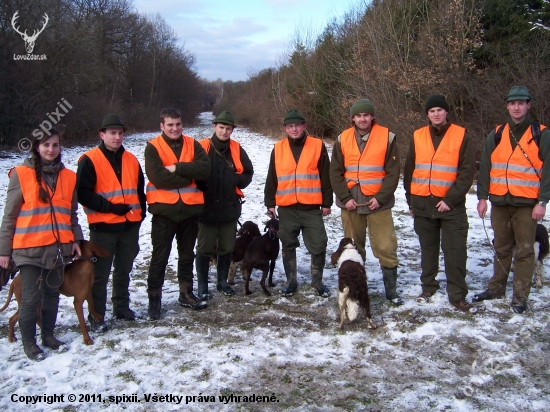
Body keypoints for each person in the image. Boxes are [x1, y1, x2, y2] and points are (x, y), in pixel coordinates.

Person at [0, 130, 83, 360]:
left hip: (57, 250)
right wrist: (4, 252)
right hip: (28, 250)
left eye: (55, 145)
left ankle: (48, 336)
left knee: (51, 295)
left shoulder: (68, 177)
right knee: (31, 298)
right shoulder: (22, 174)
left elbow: (71, 214)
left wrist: (75, 239)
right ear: (37, 147)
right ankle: (29, 343)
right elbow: (9, 216)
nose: (50, 149)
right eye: (46, 144)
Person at [474, 86, 550, 314]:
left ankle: (520, 296)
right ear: (507, 106)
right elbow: (485, 167)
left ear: (528, 105)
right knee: (501, 247)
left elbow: (548, 170)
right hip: (499, 202)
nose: (516, 107)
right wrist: (482, 197)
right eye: (512, 103)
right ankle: (496, 287)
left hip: (527, 204)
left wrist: (542, 201)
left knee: (525, 251)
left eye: (521, 103)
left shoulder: (541, 134)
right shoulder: (496, 134)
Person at [403, 95, 475, 313]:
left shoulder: (461, 135)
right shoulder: (418, 136)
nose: (436, 114)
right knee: (428, 250)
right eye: (432, 110)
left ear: (447, 112)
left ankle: (457, 295)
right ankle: (428, 286)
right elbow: (409, 171)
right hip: (422, 204)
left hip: (450, 207)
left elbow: (466, 172)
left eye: (440, 110)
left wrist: (450, 200)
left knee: (455, 251)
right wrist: (411, 202)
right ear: (427, 114)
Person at [330, 98, 403, 305]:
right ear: (353, 118)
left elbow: (393, 172)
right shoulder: (342, 138)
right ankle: (354, 289)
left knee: (386, 247)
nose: (362, 119)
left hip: (379, 203)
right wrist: (345, 198)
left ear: (372, 117)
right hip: (351, 204)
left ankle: (391, 292)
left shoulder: (387, 138)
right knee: (353, 249)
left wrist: (380, 198)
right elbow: (335, 171)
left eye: (366, 115)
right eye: (358, 115)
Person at [77, 114, 145, 330]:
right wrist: (110, 207)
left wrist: (140, 216)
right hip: (103, 228)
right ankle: (96, 315)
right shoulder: (89, 159)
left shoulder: (131, 159)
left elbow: (139, 191)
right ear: (102, 134)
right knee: (99, 274)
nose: (117, 137)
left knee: (124, 269)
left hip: (129, 227)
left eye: (120, 133)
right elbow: (83, 194)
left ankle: (121, 308)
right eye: (112, 133)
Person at [145, 107, 211, 319]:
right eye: (170, 125)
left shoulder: (193, 144)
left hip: (190, 212)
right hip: (164, 213)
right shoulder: (153, 147)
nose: (175, 128)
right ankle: (154, 301)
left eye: (178, 124)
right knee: (159, 258)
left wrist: (177, 168)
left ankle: (186, 293)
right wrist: (189, 177)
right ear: (162, 126)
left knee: (186, 255)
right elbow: (159, 178)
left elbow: (205, 169)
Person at [264, 109, 332, 297]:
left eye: (297, 125)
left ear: (304, 126)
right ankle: (291, 282)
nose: (294, 129)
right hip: (287, 208)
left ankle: (317, 282)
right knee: (287, 243)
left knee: (319, 244)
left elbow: (326, 176)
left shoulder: (318, 146)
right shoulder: (278, 148)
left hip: (311, 208)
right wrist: (270, 202)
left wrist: (327, 203)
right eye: (290, 126)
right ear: (285, 128)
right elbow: (272, 177)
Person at [195, 111, 254, 299]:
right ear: (214, 127)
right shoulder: (202, 146)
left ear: (232, 130)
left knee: (226, 248)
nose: (224, 131)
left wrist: (235, 180)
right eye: (221, 127)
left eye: (228, 128)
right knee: (204, 249)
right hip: (206, 208)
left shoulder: (237, 148)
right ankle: (202, 286)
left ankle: (222, 283)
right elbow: (191, 170)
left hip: (229, 209)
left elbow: (248, 172)